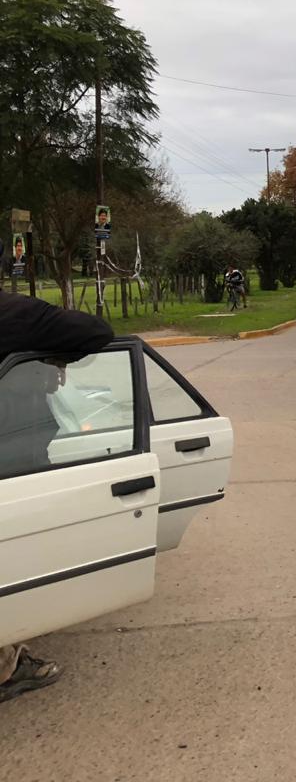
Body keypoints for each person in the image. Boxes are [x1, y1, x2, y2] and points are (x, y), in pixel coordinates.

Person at [0, 287, 113, 703]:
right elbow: (96, 332)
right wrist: (50, 355)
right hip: (10, 453)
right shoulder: (18, 313)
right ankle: (5, 667)